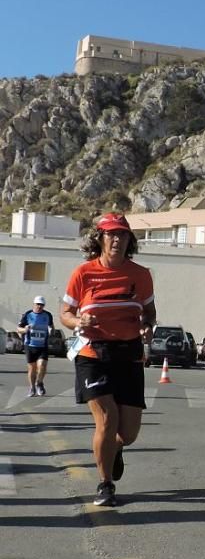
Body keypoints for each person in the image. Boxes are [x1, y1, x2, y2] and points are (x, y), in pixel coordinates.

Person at [60, 213, 156, 507]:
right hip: (93, 353)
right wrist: (78, 321)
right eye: (111, 234)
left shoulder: (141, 275)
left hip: (128, 353)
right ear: (99, 238)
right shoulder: (83, 273)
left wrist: (147, 326)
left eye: (123, 235)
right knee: (106, 419)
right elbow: (64, 314)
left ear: (129, 240)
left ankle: (115, 448)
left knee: (127, 433)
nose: (117, 239)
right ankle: (105, 484)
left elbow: (150, 311)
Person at [18, 296, 54, 397]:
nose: (39, 306)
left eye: (42, 305)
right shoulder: (28, 314)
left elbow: (51, 326)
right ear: (34, 304)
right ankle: (32, 387)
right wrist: (25, 330)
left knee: (42, 365)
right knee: (32, 369)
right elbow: (18, 328)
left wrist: (52, 331)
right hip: (30, 345)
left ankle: (39, 383)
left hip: (43, 345)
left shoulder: (48, 315)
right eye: (38, 304)